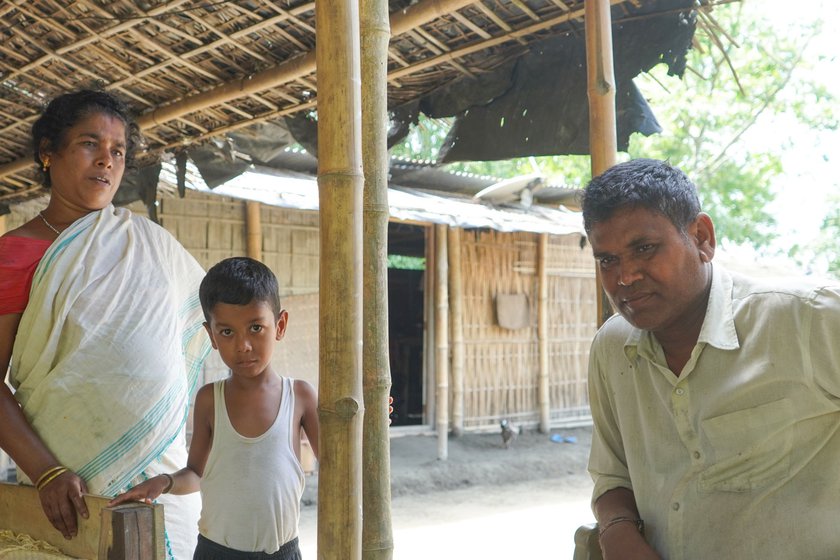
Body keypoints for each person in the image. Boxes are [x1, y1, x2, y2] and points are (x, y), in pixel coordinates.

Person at [582, 158, 840, 560]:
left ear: (702, 237)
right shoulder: (612, 348)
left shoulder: (810, 319)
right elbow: (612, 474)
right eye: (607, 259)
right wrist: (617, 530)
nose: (625, 276)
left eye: (644, 248)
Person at [0, 90, 210, 559]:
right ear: (48, 152)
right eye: (89, 144)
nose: (106, 161)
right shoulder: (13, 254)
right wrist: (46, 471)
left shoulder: (150, 243)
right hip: (66, 490)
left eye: (117, 151)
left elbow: (225, 328)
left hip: (161, 479)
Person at [110, 256, 320, 560]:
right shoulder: (210, 400)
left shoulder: (299, 396)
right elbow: (197, 473)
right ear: (211, 335)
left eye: (256, 327)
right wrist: (166, 482)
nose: (243, 345)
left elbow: (341, 461)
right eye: (227, 332)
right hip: (214, 552)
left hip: (280, 552)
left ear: (280, 325)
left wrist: (373, 422)